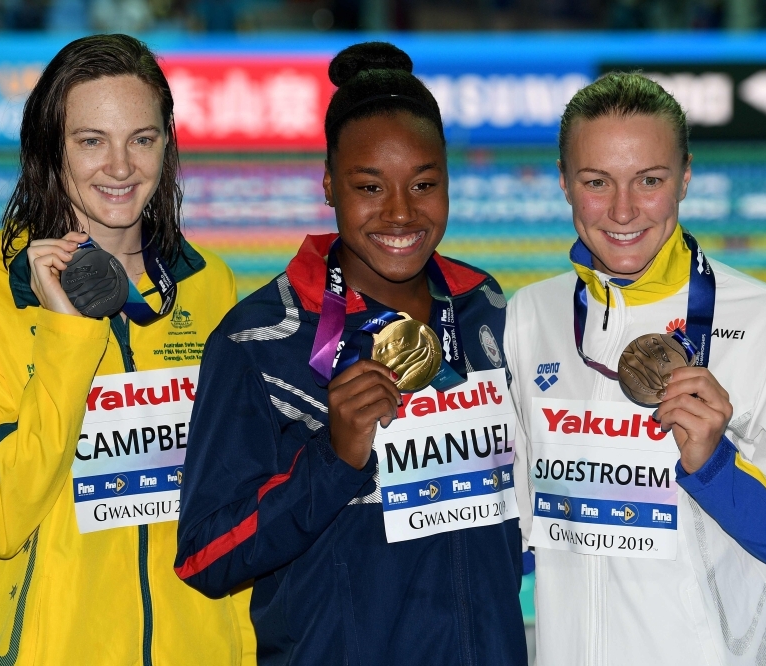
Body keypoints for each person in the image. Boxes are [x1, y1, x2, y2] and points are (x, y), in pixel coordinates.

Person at [175, 42, 528, 666]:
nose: (400, 212)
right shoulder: (260, 341)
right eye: (369, 186)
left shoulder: (488, 314)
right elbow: (205, 556)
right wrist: (333, 460)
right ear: (330, 187)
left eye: (424, 184)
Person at [0, 34, 253, 666]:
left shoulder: (208, 285)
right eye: (91, 140)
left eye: (142, 139)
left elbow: (229, 500)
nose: (120, 167)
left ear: (167, 145)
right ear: (51, 148)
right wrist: (67, 333)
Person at [506, 72, 766, 665]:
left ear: (686, 176)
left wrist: (715, 464)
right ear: (565, 183)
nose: (623, 210)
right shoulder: (531, 317)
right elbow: (520, 526)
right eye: (597, 182)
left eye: (650, 180)